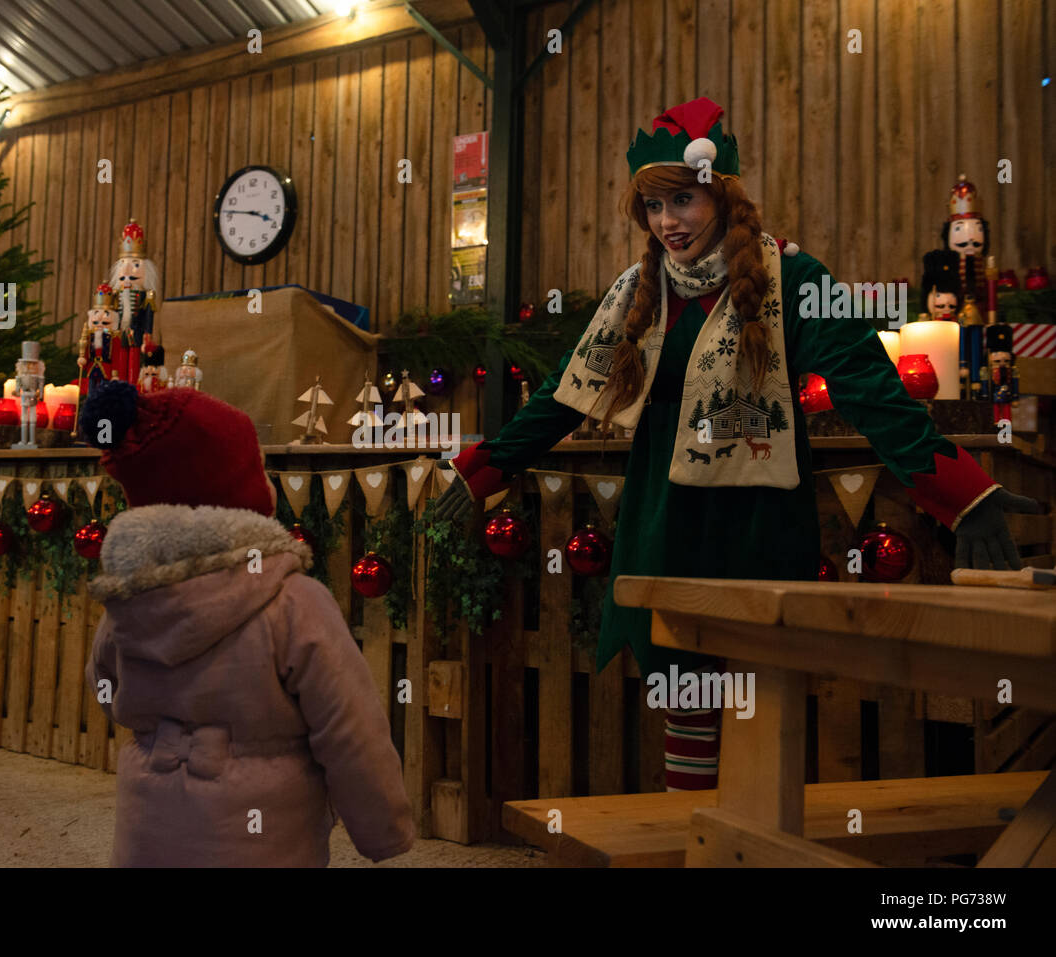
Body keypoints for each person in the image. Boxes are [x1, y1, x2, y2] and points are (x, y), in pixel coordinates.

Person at [435, 97, 1040, 792]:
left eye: (683, 200)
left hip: (755, 519)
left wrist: (965, 495)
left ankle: (752, 840)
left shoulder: (797, 279)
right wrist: (483, 468)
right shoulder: (637, 291)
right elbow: (562, 399)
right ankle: (698, 836)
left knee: (761, 706)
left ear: (721, 193)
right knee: (685, 705)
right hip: (666, 521)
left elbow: (871, 391)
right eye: (654, 208)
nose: (669, 222)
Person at [79, 380, 414, 866]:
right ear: (244, 483)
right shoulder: (293, 599)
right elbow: (349, 727)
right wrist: (382, 830)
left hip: (149, 834)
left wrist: (159, 732)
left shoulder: (130, 598)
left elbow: (104, 689)